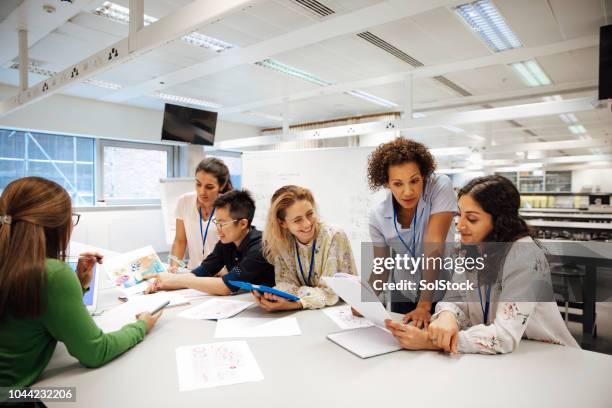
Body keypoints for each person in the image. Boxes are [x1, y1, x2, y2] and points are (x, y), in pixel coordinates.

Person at [385, 175, 580, 353]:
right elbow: (454, 298)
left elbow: (503, 337)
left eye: (471, 218)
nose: (460, 226)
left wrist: (429, 341)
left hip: (549, 357)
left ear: (499, 221)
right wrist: (447, 316)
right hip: (499, 360)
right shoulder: (471, 248)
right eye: (459, 215)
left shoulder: (525, 256)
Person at [0, 177, 161, 389]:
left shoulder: (11, 262)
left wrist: (78, 283)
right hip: (12, 397)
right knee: (75, 396)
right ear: (57, 226)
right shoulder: (51, 274)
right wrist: (142, 327)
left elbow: (31, 310)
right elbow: (95, 352)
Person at [367, 137, 457, 327]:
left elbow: (433, 247)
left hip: (440, 292)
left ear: (423, 175)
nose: (408, 192)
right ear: (386, 183)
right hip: (402, 291)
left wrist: (424, 305)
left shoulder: (439, 186)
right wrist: (363, 300)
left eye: (414, 181)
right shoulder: (378, 215)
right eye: (398, 184)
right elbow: (381, 267)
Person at [147, 189, 274, 295]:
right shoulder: (226, 243)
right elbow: (201, 272)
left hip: (274, 310)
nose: (218, 229)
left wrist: (179, 281)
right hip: (249, 302)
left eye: (222, 223)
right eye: (216, 222)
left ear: (242, 224)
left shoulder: (259, 247)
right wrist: (164, 282)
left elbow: (226, 286)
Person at [254, 185, 358, 311]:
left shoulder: (333, 236)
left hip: (339, 311)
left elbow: (330, 293)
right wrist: (275, 295)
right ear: (282, 223)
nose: (307, 223)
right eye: (297, 220)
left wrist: (295, 303)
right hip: (307, 312)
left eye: (310, 214)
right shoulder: (282, 241)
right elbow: (285, 284)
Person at [170, 157, 232, 271]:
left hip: (219, 275)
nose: (202, 192)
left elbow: (233, 248)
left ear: (221, 186)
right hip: (193, 272)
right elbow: (180, 241)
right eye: (198, 184)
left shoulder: (229, 208)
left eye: (209, 187)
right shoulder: (184, 201)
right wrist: (174, 267)